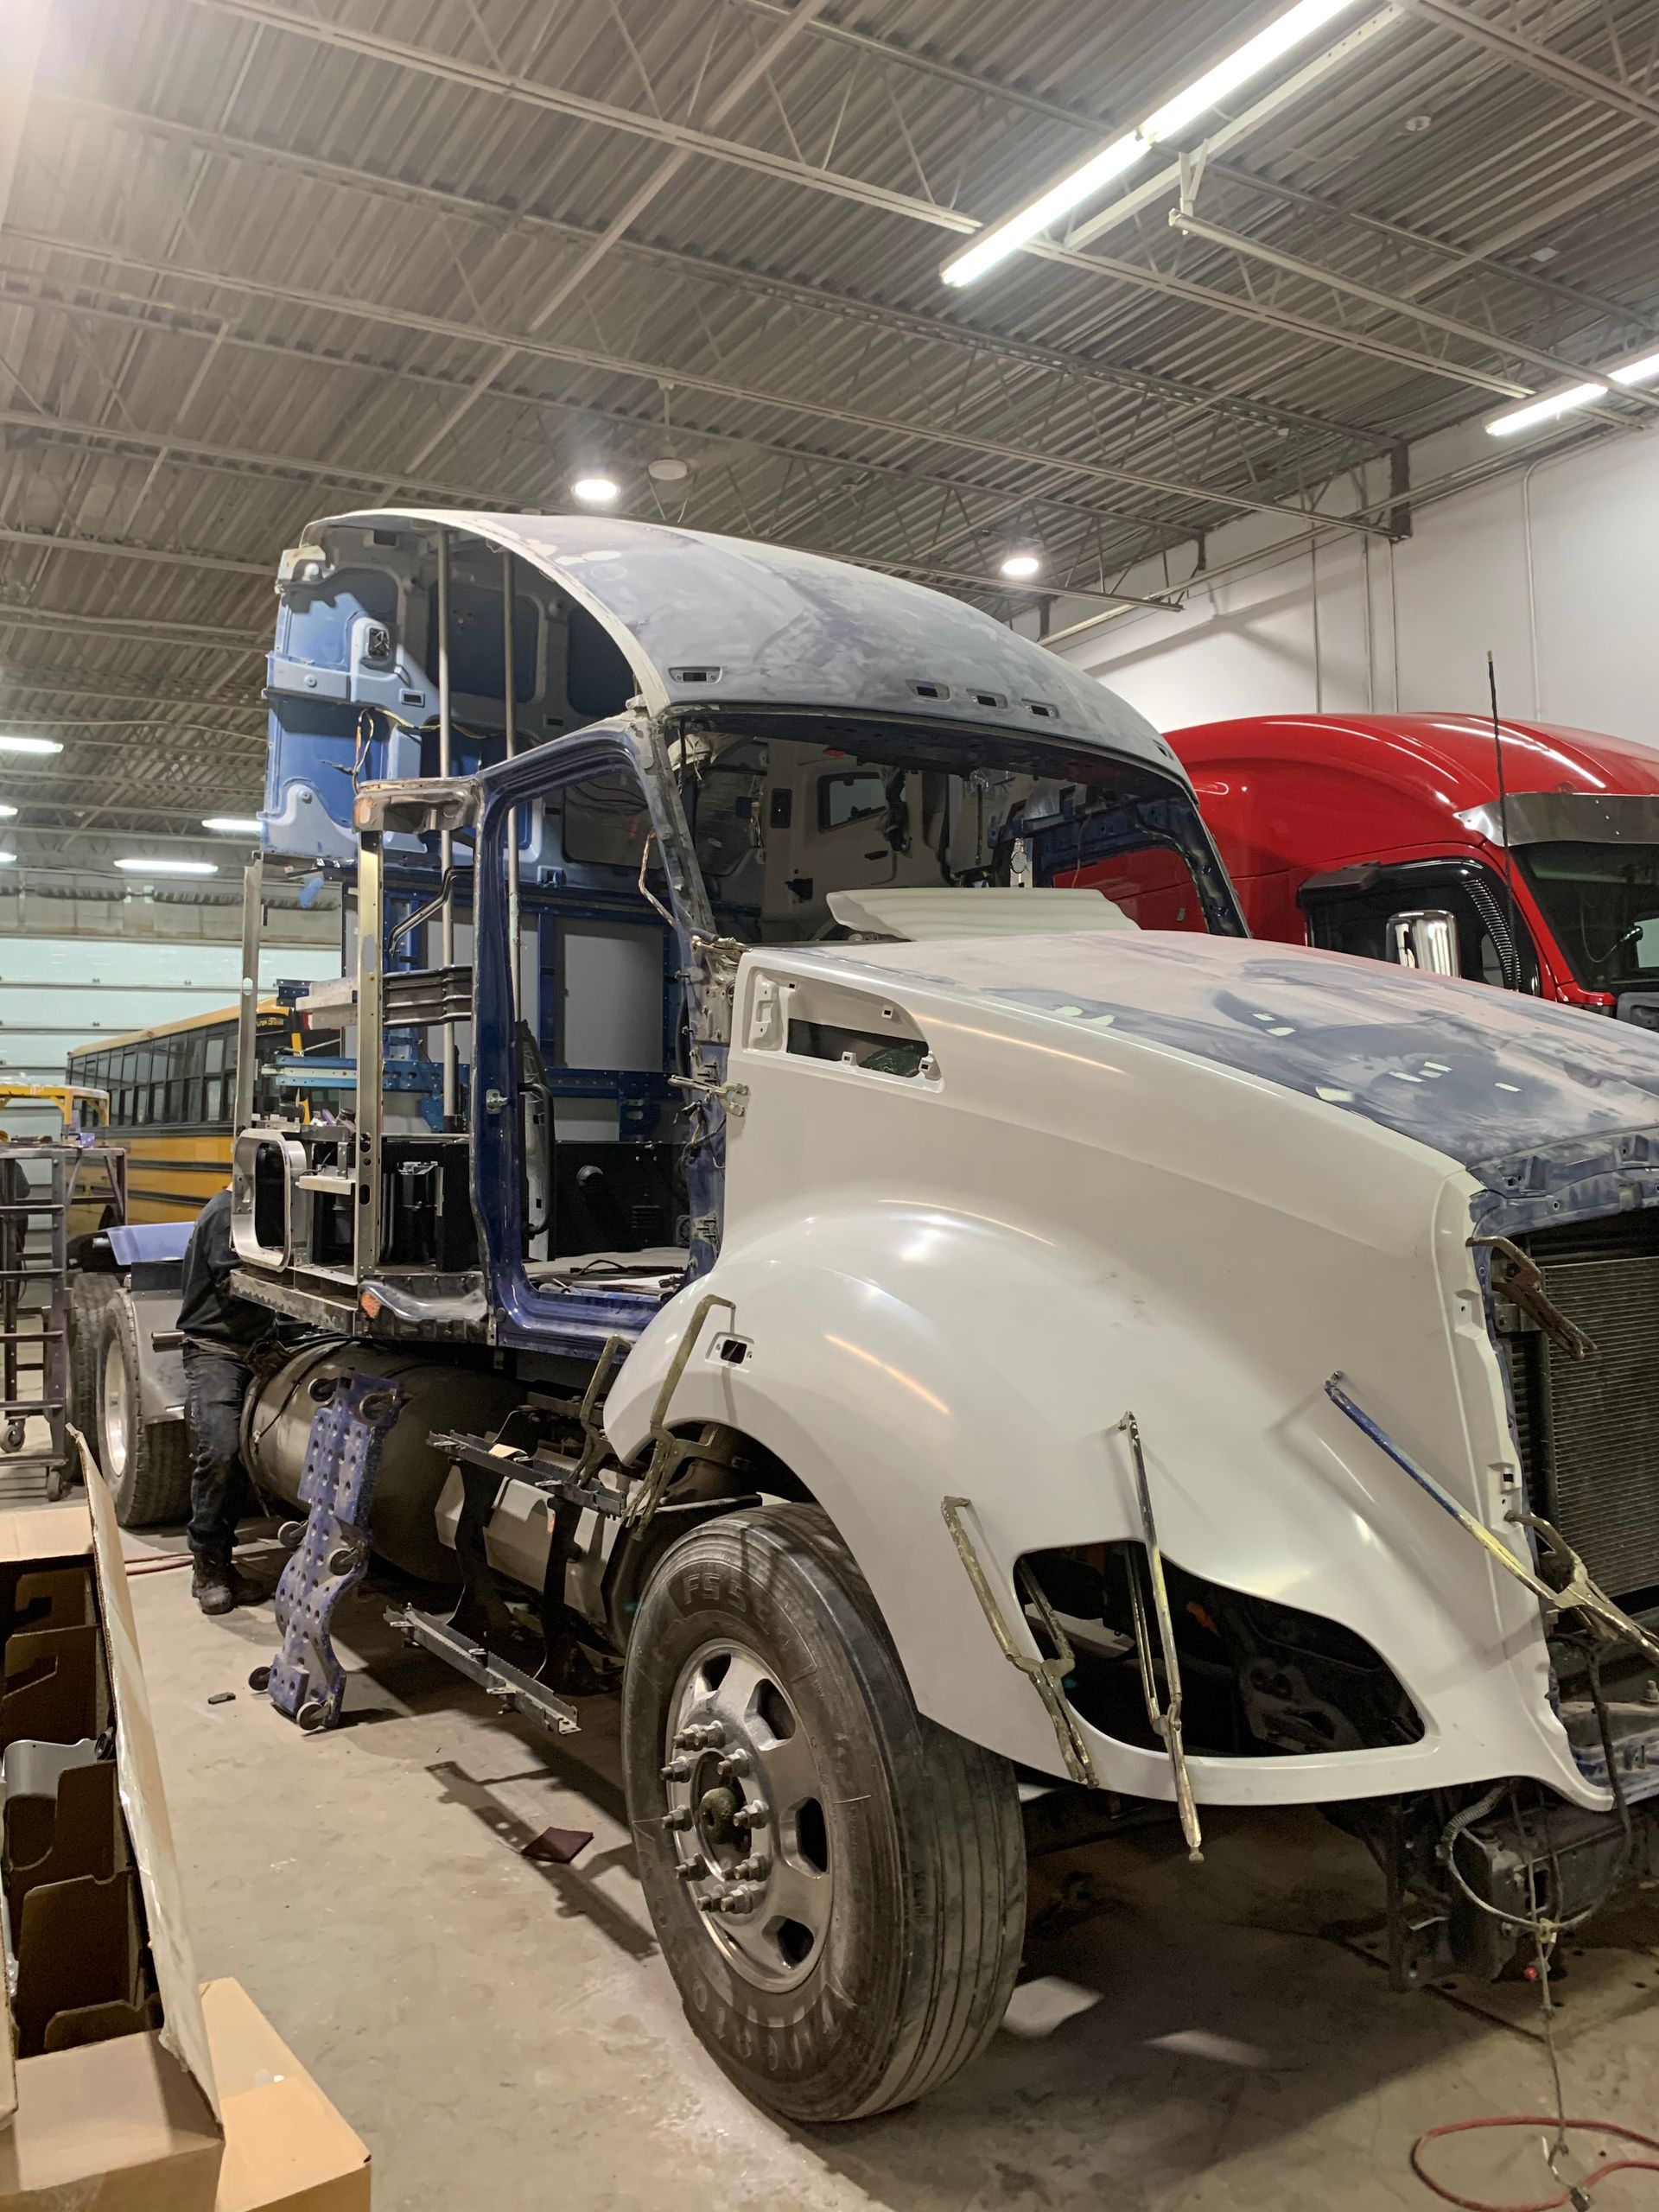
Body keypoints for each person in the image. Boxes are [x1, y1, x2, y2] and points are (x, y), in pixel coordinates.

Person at [177, 1183, 275, 1615]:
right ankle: (210, 1567)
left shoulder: (255, 1212)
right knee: (220, 1451)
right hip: (216, 1352)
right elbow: (235, 1281)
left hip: (257, 1346)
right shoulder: (226, 1213)